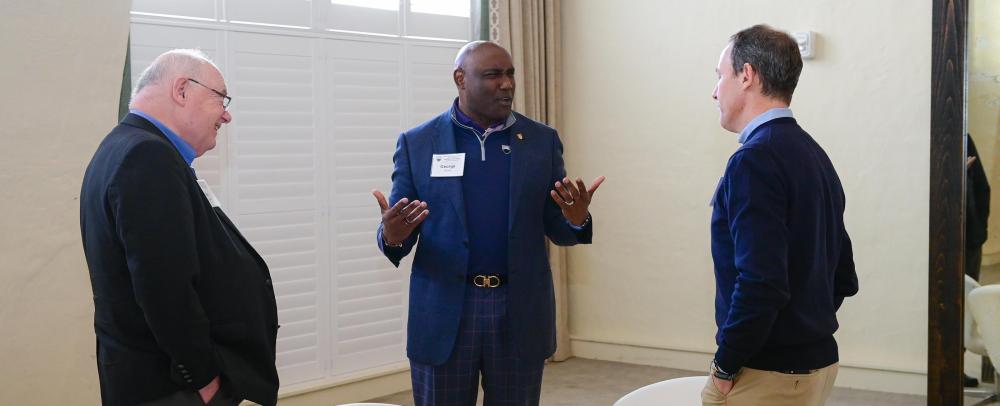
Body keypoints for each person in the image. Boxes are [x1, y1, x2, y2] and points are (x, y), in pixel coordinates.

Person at [371, 41, 604, 406]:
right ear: (460, 79)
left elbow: (557, 225)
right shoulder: (418, 143)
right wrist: (392, 235)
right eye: (493, 75)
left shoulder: (541, 141)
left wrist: (576, 220)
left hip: (518, 309)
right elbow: (400, 226)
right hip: (447, 310)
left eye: (510, 73)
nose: (507, 84)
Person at [80, 49, 279, 406]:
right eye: (221, 98)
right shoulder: (147, 157)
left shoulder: (122, 146)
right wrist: (205, 381)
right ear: (182, 89)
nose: (227, 114)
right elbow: (164, 288)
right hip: (170, 387)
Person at [703, 25, 859, 406]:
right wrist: (802, 328)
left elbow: (761, 283)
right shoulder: (815, 155)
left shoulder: (752, 161)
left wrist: (725, 367)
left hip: (767, 374)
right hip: (815, 365)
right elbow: (843, 275)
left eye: (720, 76)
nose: (714, 91)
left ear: (747, 75)